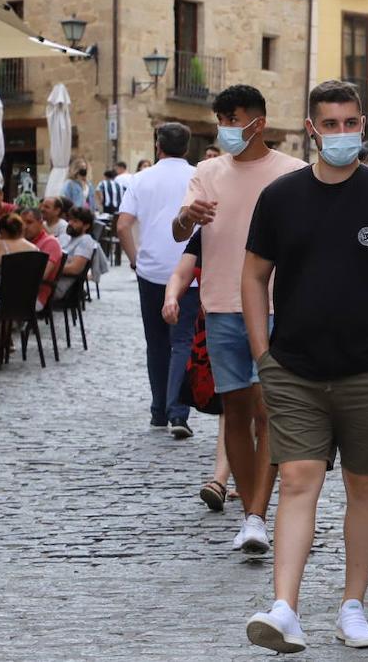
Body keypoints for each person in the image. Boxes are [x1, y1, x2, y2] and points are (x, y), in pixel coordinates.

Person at [242, 80, 368, 653]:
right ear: (311, 130)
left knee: (364, 483)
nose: (342, 134)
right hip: (296, 369)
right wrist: (263, 354)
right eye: (330, 125)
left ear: (362, 126)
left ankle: (352, 606)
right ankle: (285, 607)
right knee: (299, 479)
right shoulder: (281, 197)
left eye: (351, 123)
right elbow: (254, 276)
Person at [174, 84, 306, 556]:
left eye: (236, 119)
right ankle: (252, 511)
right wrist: (188, 215)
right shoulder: (206, 171)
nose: (228, 128)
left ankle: (257, 514)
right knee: (236, 411)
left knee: (270, 411)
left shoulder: (293, 172)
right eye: (222, 119)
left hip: (278, 307)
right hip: (221, 305)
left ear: (259, 122)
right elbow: (179, 230)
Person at [118, 122, 200, 439]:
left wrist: (135, 259)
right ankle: (178, 411)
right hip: (188, 272)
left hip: (151, 271)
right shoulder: (198, 176)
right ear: (188, 146)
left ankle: (158, 411)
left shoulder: (141, 179)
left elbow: (123, 225)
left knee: (156, 342)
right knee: (183, 342)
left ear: (158, 146)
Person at [164, 230, 234, 505]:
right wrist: (172, 298)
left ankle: (245, 479)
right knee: (232, 402)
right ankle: (221, 479)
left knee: (256, 409)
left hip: (266, 322)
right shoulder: (210, 230)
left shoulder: (270, 216)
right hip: (219, 327)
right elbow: (182, 273)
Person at [20, 207, 63, 311]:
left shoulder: (50, 243)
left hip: (35, 297)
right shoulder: (23, 242)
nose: (25, 227)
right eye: (22, 223)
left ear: (40, 223)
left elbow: (41, 275)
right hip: (18, 292)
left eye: (29, 222)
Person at [53, 207, 97, 300]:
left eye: (75, 221)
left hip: (59, 287)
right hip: (50, 281)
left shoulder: (85, 240)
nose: (70, 223)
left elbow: (75, 269)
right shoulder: (65, 237)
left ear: (86, 226)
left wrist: (48, 269)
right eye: (70, 220)